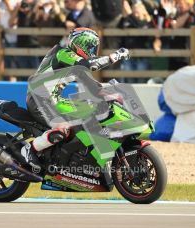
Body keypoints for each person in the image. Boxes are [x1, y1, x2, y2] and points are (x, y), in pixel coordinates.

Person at [21, 27, 130, 171]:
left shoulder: (74, 64)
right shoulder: (64, 54)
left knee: (88, 112)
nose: (93, 52)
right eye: (92, 48)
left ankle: (76, 159)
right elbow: (90, 64)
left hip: (54, 99)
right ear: (82, 44)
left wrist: (112, 95)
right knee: (63, 128)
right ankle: (29, 151)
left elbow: (93, 87)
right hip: (38, 99)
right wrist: (115, 56)